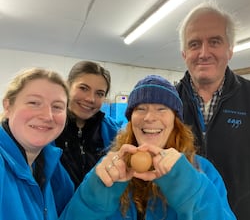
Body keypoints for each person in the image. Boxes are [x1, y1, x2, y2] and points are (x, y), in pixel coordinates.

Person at [175, 1, 250, 220]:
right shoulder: (165, 104)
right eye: (194, 44)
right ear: (184, 53)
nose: (204, 52)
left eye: (214, 41)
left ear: (230, 49)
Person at [59, 75, 236, 220]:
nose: (149, 117)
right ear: (130, 119)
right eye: (141, 109)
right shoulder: (110, 168)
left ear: (175, 121)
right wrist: (95, 195)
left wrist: (188, 188)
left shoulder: (201, 170)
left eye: (161, 109)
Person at [0, 68, 74, 220]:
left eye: (57, 106)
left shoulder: (48, 165)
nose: (47, 116)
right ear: (8, 106)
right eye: (34, 103)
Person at [55, 60, 120, 188]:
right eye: (83, 88)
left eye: (99, 93)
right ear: (67, 87)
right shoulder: (48, 126)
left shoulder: (114, 133)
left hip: (96, 206)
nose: (90, 99)